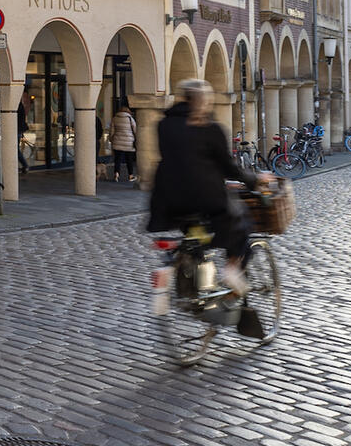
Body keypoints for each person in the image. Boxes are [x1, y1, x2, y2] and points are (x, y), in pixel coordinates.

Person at [147, 79, 272, 329]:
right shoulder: (210, 128)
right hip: (206, 196)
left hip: (168, 198)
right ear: (205, 101)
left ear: (182, 98)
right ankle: (232, 271)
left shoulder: (164, 125)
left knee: (197, 238)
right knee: (241, 225)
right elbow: (228, 167)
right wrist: (255, 180)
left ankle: (194, 274)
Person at [109, 106, 137, 184]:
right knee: (129, 160)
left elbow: (112, 131)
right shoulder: (130, 118)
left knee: (117, 159)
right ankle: (130, 175)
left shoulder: (115, 118)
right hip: (129, 142)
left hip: (117, 141)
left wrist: (111, 139)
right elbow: (135, 130)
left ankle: (116, 174)